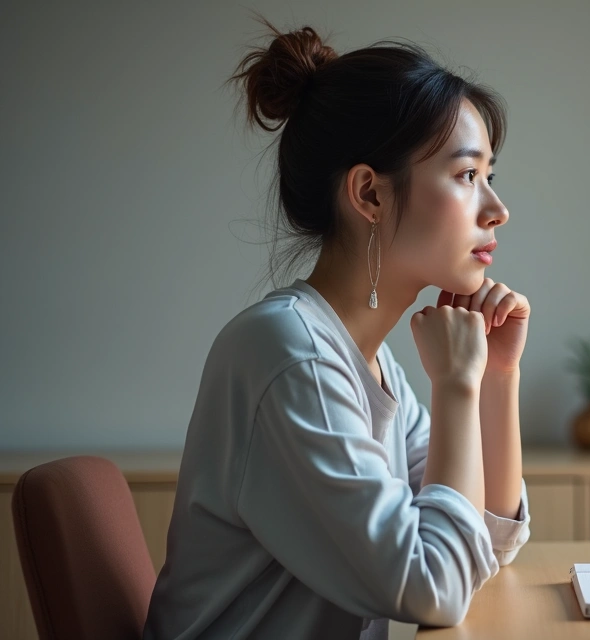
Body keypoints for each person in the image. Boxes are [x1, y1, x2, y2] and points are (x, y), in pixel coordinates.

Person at [144, 16, 530, 639]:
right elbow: (435, 588)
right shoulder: (290, 355)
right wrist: (457, 384)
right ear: (370, 196)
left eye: (490, 176)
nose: (497, 208)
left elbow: (485, 544)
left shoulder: (371, 366)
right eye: (466, 176)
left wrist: (497, 377)